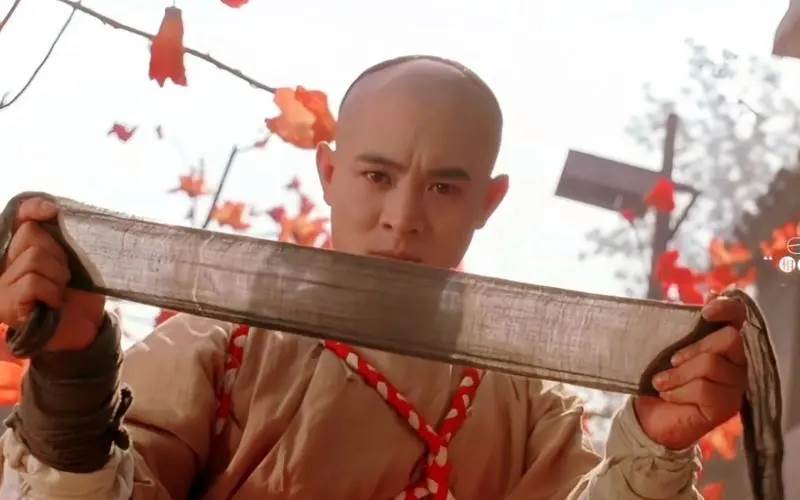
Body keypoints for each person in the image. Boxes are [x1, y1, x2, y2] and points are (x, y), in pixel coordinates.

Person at [0, 55, 749, 499]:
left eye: (444, 187)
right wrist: (73, 379)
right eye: (377, 175)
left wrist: (655, 450)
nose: (403, 218)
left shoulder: (528, 403)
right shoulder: (221, 345)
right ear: (329, 173)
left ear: (488, 203)